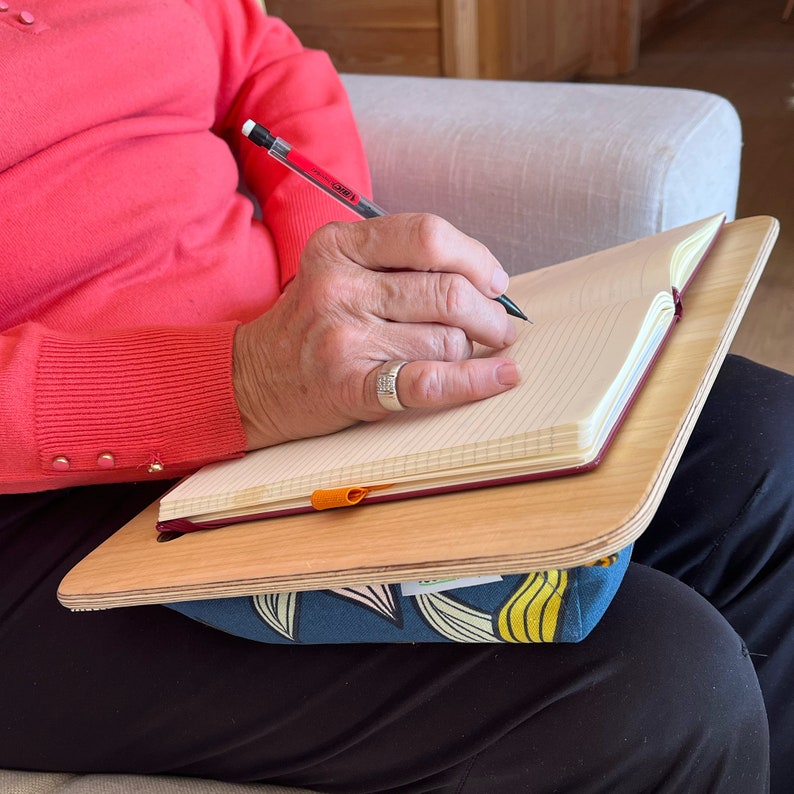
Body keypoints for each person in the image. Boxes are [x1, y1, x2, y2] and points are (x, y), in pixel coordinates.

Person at [0, 1, 791, 792]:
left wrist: (318, 283)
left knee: (765, 449)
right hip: (45, 500)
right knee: (657, 690)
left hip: (290, 373)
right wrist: (238, 382)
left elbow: (267, 64)